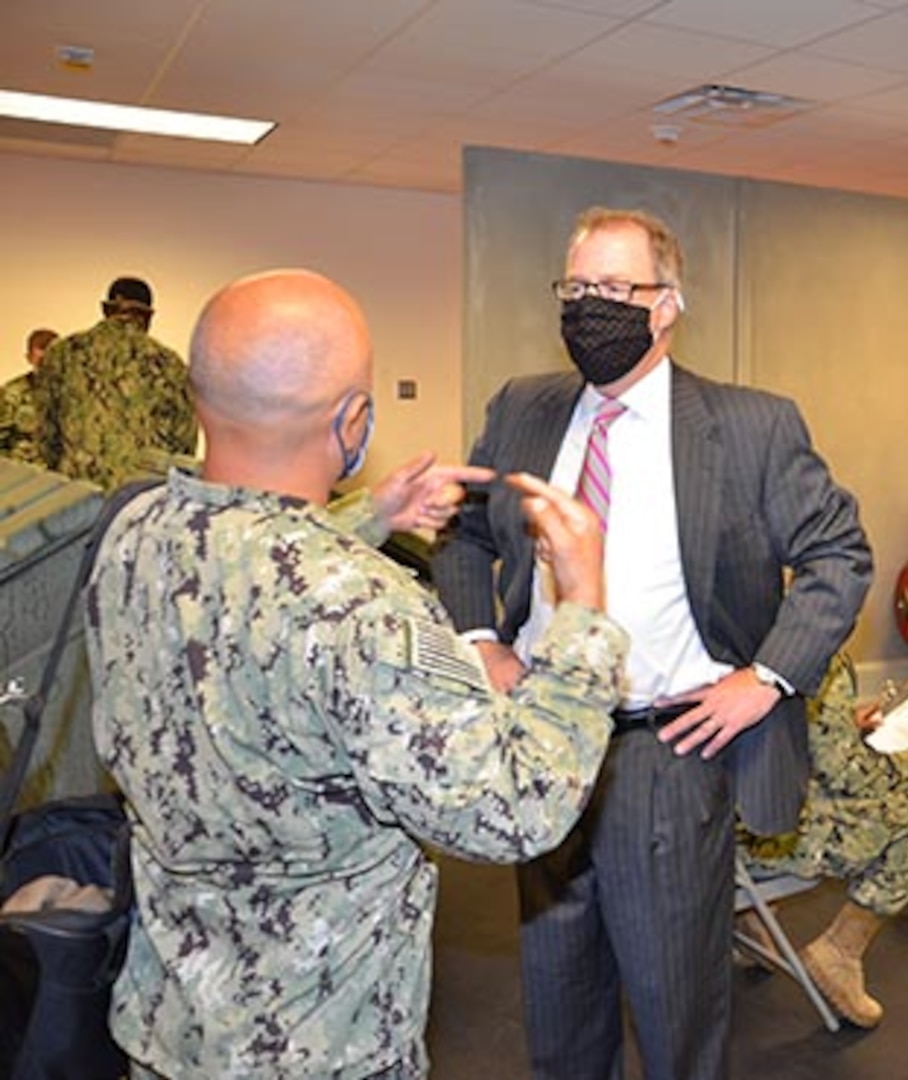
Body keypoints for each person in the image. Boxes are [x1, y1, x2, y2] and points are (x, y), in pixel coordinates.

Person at [87, 268, 631, 1080]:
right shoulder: (367, 610)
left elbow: (247, 578)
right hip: (320, 1048)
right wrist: (583, 607)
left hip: (170, 1030)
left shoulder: (133, 532)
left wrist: (369, 516)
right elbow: (513, 808)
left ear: (200, 399)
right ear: (355, 420)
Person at [432, 207, 873, 1080]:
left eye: (615, 289)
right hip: (544, 741)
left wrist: (768, 678)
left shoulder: (751, 427)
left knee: (675, 1008)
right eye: (577, 287)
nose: (590, 307)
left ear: (666, 305)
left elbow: (838, 555)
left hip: (665, 753)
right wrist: (483, 639)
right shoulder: (525, 407)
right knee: (558, 999)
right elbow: (462, 531)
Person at [739, 654, 908, 1028]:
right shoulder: (815, 648)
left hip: (710, 820)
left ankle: (748, 915)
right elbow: (850, 776)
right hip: (761, 835)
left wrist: (841, 725)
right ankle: (840, 950)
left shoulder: (734, 624)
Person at [36, 276, 197, 487]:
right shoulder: (169, 364)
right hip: (139, 499)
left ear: (105, 310)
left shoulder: (62, 354)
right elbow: (184, 445)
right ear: (148, 316)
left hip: (78, 493)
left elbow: (46, 435)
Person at [0, 328, 57, 464]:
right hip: (26, 473)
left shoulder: (75, 391)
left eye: (51, 360)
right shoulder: (11, 394)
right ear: (29, 358)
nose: (46, 367)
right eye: (40, 361)